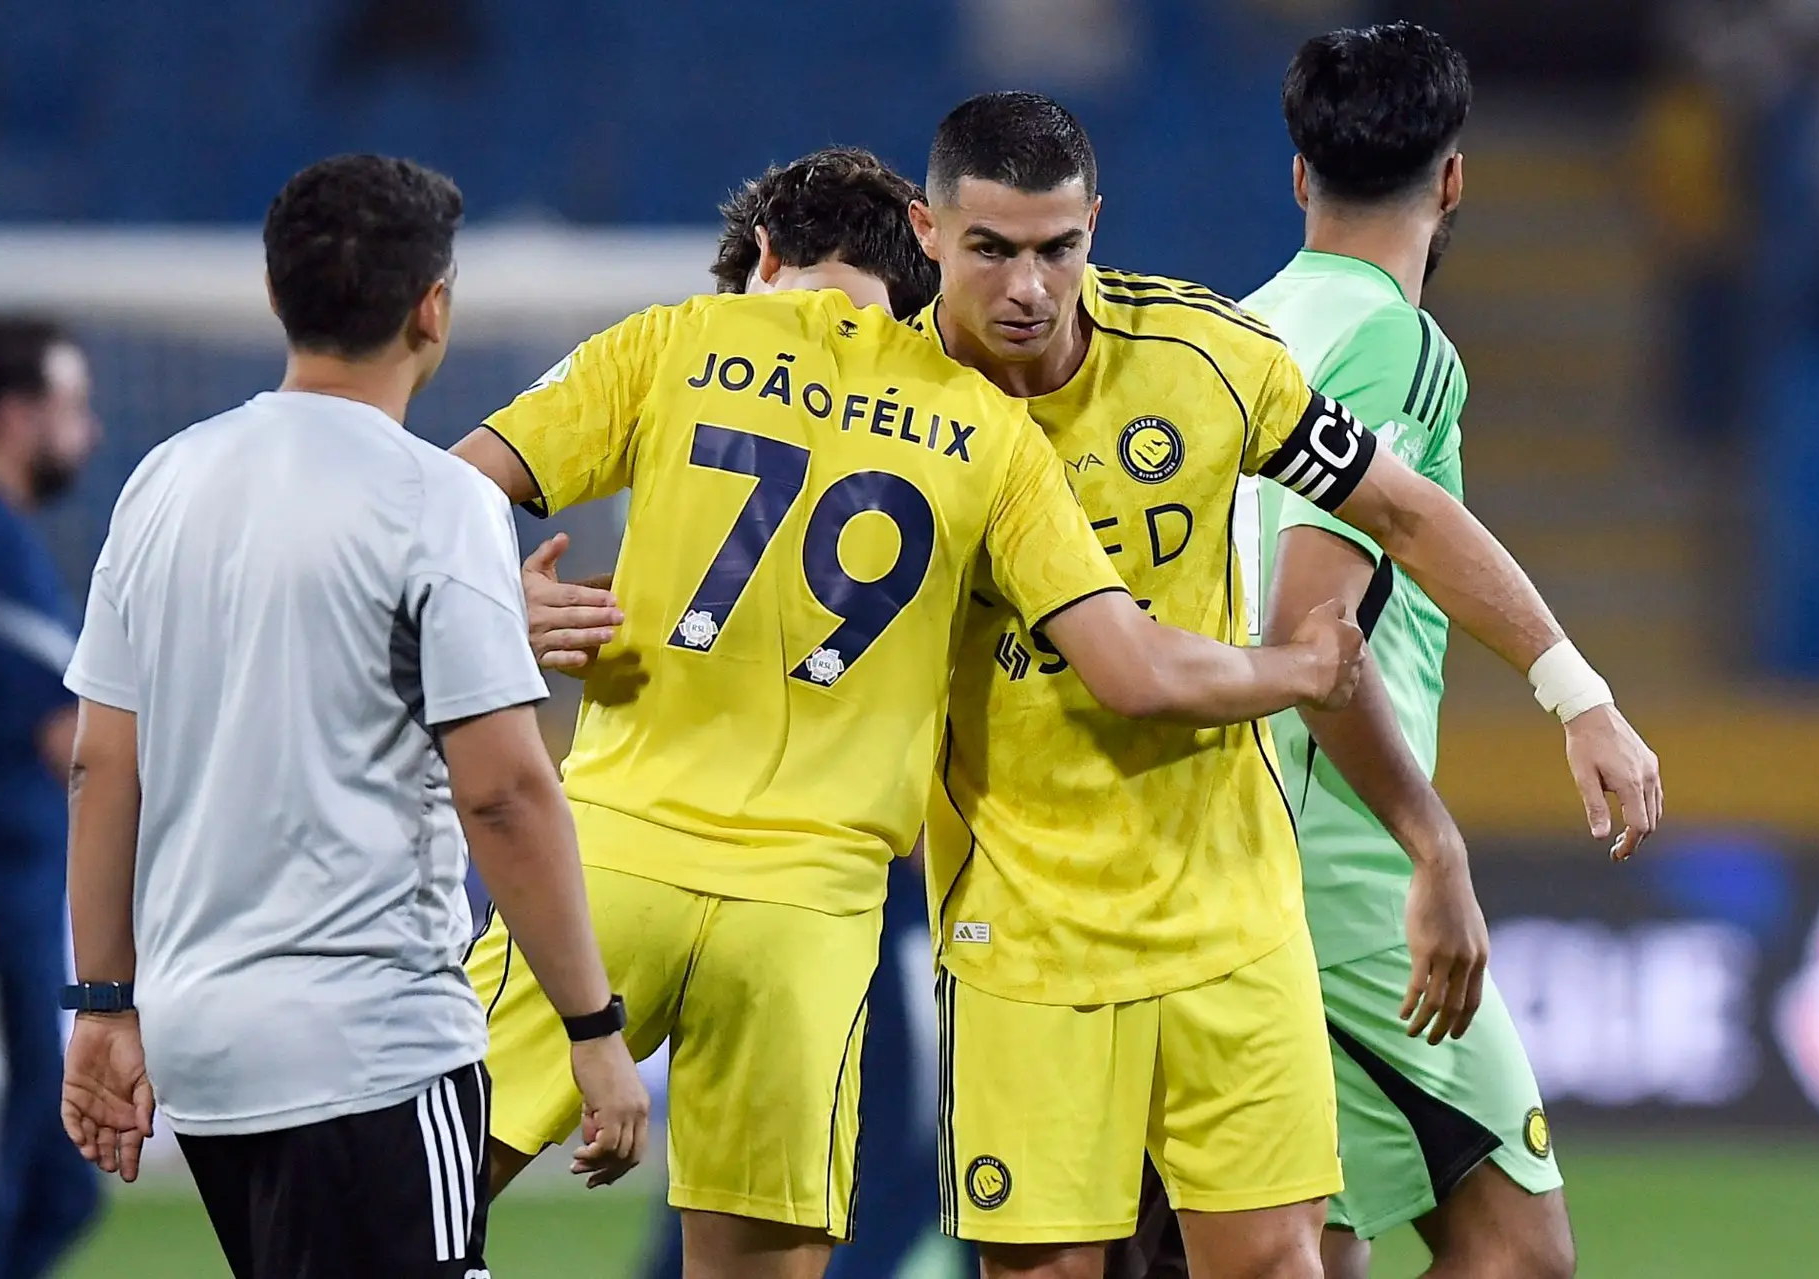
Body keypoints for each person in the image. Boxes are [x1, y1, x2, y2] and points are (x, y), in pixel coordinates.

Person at [449, 144, 1367, 1279]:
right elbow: (1134, 670)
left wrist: (501, 603)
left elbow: (432, 503)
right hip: (814, 910)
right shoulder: (985, 426)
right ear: (927, 260)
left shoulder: (677, 341)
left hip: (615, 862)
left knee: (410, 1199)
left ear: (766, 259)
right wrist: (1303, 666)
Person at [899, 92, 1660, 1279]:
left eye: (1060, 249)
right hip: (1025, 931)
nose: (1030, 290)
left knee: (1283, 1260)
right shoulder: (886, 408)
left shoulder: (1204, 357)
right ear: (926, 231)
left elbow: (1404, 511)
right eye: (991, 249)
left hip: (1231, 914)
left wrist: (1573, 688)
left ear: (1097, 224)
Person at [55, 153, 649, 1279]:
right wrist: (593, 1029)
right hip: (368, 1043)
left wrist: (100, 1002)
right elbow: (506, 792)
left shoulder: (163, 481)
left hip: (204, 1049)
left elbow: (101, 766)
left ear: (278, 294)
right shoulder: (441, 502)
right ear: (434, 309)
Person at [1242, 25, 1572, 1278]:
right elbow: (1307, 635)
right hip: (1341, 867)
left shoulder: (1237, 331)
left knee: (1312, 1243)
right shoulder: (1400, 346)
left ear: (1297, 177)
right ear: (1451, 181)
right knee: (1519, 1243)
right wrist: (1431, 842)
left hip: (1238, 848)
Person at [631, 151, 976, 1279]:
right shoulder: (934, 423)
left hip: (694, 851)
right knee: (826, 1190)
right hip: (811, 880)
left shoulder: (672, 364)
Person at [0, 316, 103, 1279]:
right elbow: (81, 741)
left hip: (19, 913)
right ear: (17, 418)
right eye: (71, 408)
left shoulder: (1, 538)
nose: (87, 434)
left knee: (51, 1182)